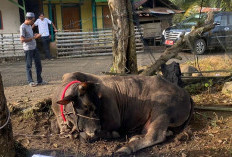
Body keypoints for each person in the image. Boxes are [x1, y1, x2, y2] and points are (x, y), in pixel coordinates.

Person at [20, 12, 46, 87]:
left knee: (38, 64)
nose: (33, 22)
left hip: (34, 47)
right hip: (28, 49)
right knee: (29, 65)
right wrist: (34, 38)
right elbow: (22, 39)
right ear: (28, 19)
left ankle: (39, 80)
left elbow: (30, 36)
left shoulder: (29, 26)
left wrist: (35, 35)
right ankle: (30, 81)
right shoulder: (23, 27)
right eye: (32, 20)